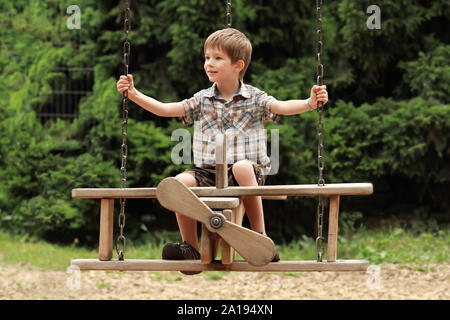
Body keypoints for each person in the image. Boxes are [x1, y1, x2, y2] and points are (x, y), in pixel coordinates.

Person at [116, 28, 328, 268]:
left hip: (248, 172)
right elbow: (165, 109)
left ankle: (261, 238)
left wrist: (310, 103)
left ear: (238, 65)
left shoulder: (255, 98)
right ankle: (190, 247)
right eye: (207, 57)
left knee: (241, 167)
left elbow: (281, 106)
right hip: (207, 173)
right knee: (178, 183)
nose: (209, 63)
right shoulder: (201, 100)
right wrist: (133, 95)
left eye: (217, 58)